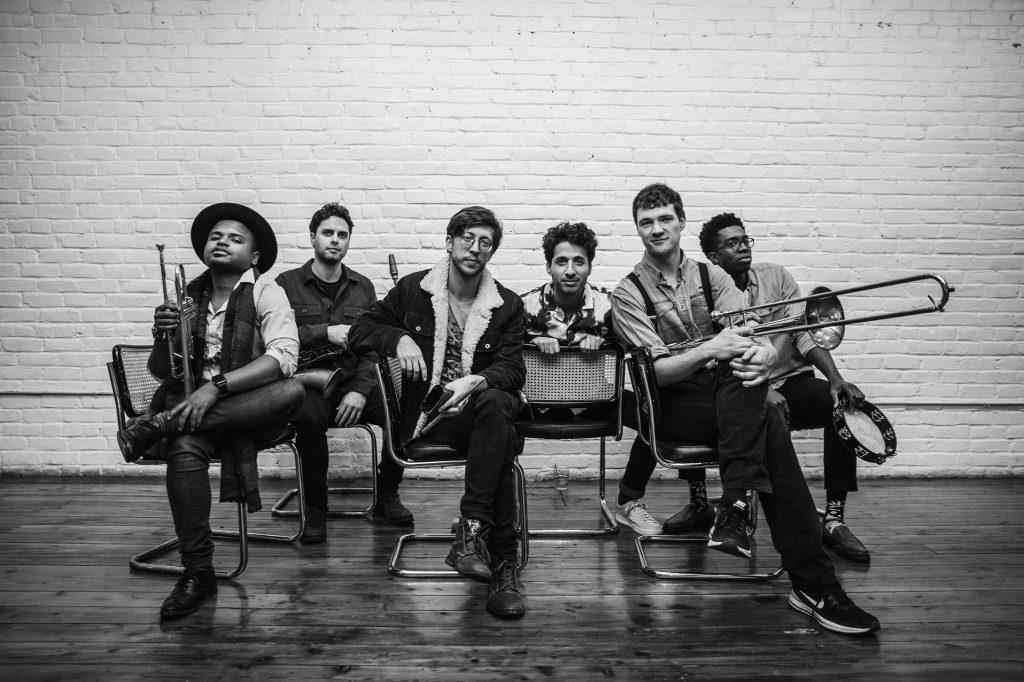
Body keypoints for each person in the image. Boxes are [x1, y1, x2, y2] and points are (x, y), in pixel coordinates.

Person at [611, 183, 879, 635]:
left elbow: (751, 333)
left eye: (664, 219)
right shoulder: (628, 292)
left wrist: (766, 356)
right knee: (768, 415)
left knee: (753, 389)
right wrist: (712, 348)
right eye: (646, 222)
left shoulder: (710, 277)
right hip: (670, 405)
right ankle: (812, 581)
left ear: (680, 221)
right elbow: (655, 374)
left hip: (725, 391)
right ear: (638, 230)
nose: (656, 229)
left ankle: (738, 508)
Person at [116, 203, 304, 619]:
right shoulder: (186, 298)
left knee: (291, 390)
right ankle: (198, 572)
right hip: (196, 414)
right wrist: (162, 334)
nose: (222, 241)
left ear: (253, 258)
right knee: (184, 446)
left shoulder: (266, 293)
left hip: (249, 412)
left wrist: (213, 389)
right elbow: (161, 371)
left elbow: (283, 357)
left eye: (236, 239)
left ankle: (160, 423)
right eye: (217, 236)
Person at [348, 206, 527, 620]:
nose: (475, 247)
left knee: (497, 403)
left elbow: (514, 368)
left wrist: (474, 381)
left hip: (476, 413)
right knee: (500, 444)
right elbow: (360, 332)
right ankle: (502, 563)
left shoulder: (507, 305)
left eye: (485, 242)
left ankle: (471, 533)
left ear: (491, 253)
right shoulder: (414, 290)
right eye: (467, 237)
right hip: (426, 418)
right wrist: (398, 339)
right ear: (449, 242)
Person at [699, 212, 870, 562]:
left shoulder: (776, 277)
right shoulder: (705, 290)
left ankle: (834, 518)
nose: (743, 247)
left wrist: (835, 379)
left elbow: (803, 332)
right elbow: (711, 359)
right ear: (715, 257)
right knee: (707, 402)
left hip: (790, 381)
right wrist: (760, 388)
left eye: (745, 240)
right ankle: (704, 503)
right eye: (732, 244)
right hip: (743, 386)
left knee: (842, 407)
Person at [275, 202, 413, 544]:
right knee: (307, 420)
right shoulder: (285, 283)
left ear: (349, 241)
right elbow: (276, 338)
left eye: (342, 235)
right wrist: (324, 331)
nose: (335, 240)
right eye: (327, 233)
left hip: (353, 383)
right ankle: (316, 508)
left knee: (402, 413)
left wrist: (361, 390)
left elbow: (374, 348)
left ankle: (387, 495)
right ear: (312, 237)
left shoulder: (363, 287)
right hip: (307, 384)